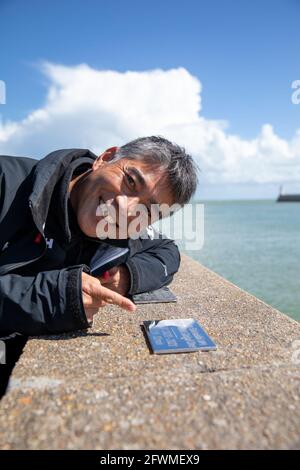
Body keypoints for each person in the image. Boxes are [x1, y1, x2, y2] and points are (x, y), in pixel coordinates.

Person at [0, 136, 198, 335]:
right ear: (104, 158)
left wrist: (128, 275)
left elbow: (168, 251)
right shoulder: (5, 181)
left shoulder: (125, 236)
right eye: (130, 181)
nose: (125, 208)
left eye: (148, 210)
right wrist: (52, 298)